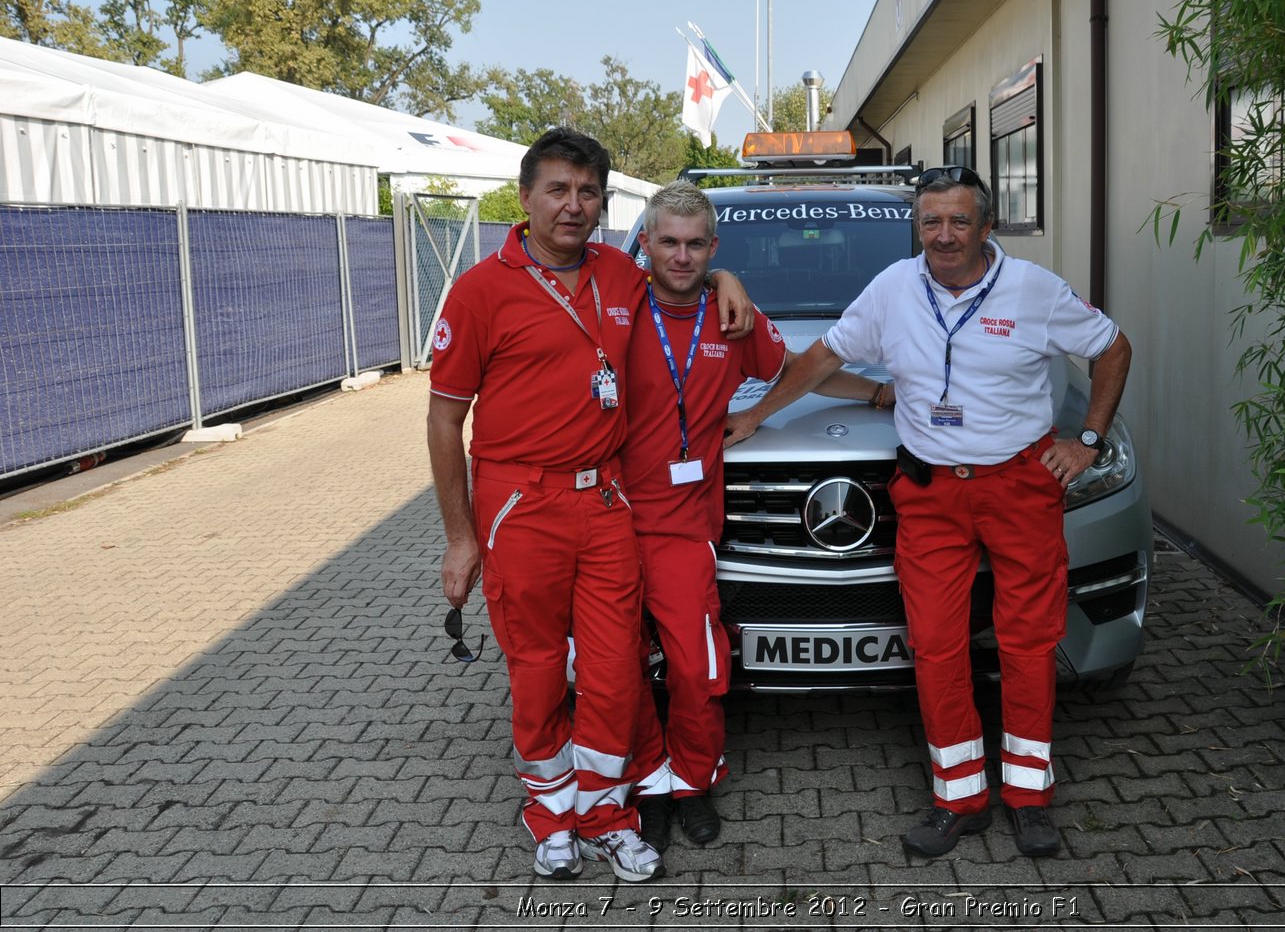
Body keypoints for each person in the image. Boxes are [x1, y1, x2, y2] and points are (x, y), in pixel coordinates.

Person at [724, 165, 1132, 859]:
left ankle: (1030, 797)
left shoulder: (1033, 290)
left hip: (1019, 486)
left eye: (959, 221)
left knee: (1027, 641)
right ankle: (959, 797)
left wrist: (1088, 438)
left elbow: (1112, 347)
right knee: (937, 647)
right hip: (932, 495)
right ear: (919, 227)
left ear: (986, 225)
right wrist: (759, 411)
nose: (943, 235)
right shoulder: (893, 289)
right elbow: (823, 356)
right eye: (931, 221)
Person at [425, 129, 750, 884]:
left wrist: (727, 275)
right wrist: (458, 536)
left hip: (605, 498)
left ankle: (608, 814)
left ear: (604, 203)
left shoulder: (618, 270)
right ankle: (551, 816)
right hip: (520, 501)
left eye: (588, 192)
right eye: (558, 190)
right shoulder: (481, 289)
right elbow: (444, 419)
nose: (574, 206)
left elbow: (685, 266)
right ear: (525, 197)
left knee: (612, 669)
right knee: (538, 668)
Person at [621, 181, 886, 852]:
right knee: (615, 668)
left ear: (714, 247)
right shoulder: (611, 305)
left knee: (691, 666)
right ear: (645, 244)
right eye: (668, 242)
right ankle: (645, 785)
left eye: (696, 245)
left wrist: (879, 390)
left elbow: (801, 371)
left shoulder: (733, 317)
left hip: (685, 523)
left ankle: (692, 780)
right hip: (608, 519)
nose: (681, 257)